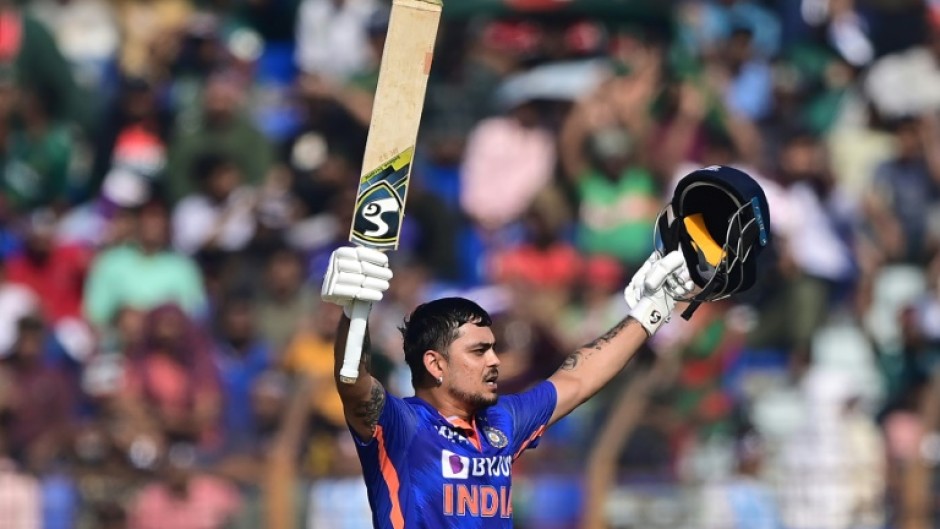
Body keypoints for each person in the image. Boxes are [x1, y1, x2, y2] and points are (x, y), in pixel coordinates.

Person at [320, 245, 693, 528]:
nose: (495, 361)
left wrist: (652, 309)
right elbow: (352, 381)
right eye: (479, 351)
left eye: (493, 348)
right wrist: (354, 311)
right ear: (435, 364)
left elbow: (579, 378)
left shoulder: (502, 422)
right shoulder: (401, 426)